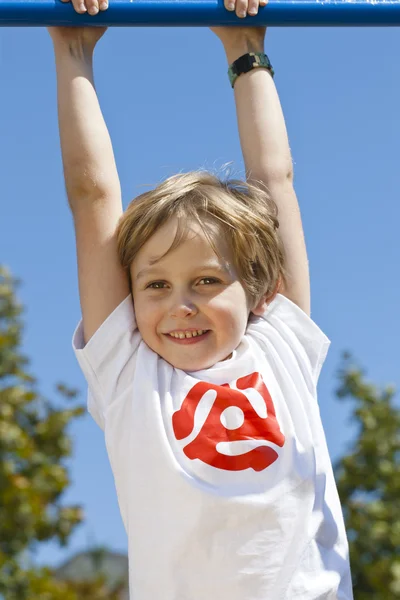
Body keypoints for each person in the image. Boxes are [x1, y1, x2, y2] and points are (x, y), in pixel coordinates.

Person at [47, 0, 353, 597]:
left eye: (207, 281)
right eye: (155, 285)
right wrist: (73, 50)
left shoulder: (281, 344)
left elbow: (274, 180)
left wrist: (245, 48)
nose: (179, 305)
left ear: (260, 288)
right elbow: (92, 197)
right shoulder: (127, 372)